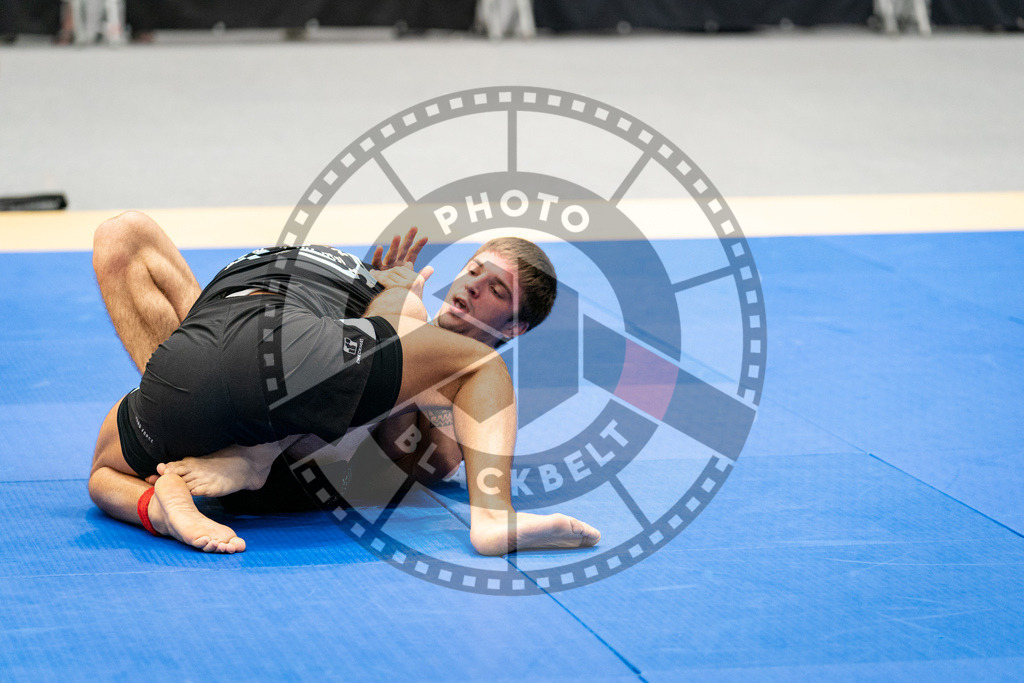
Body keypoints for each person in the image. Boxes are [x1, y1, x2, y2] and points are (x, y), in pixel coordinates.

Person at [89, 211, 596, 554]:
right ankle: (186, 458)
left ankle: (246, 452)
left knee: (407, 322)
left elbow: (437, 457)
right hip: (228, 346)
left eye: (494, 289)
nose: (470, 287)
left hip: (297, 431)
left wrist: (397, 308)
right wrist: (386, 301)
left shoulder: (433, 346)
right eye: (473, 270)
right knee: (122, 233)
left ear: (513, 328)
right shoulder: (396, 301)